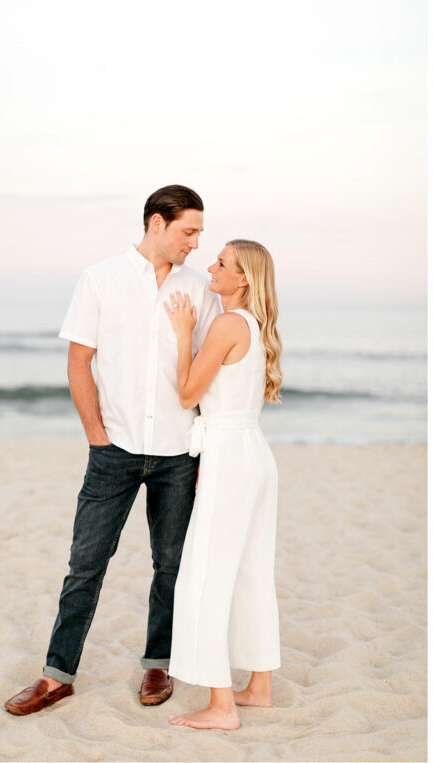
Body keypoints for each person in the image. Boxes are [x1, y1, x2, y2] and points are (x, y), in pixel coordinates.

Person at [4, 185, 221, 715]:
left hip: (178, 453)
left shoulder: (201, 289)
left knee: (169, 564)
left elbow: (210, 373)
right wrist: (96, 434)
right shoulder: (99, 279)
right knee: (85, 564)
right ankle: (57, 675)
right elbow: (80, 362)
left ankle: (158, 664)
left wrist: (205, 450)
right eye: (188, 231)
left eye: (199, 233)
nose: (195, 243)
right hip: (114, 449)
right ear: (156, 223)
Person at [162, 239, 282, 731]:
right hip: (254, 452)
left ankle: (221, 707)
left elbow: (189, 391)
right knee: (253, 571)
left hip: (230, 456)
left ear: (243, 279)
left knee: (208, 573)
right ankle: (258, 688)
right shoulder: (253, 325)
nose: (210, 267)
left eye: (222, 263)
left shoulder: (227, 323)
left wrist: (182, 333)